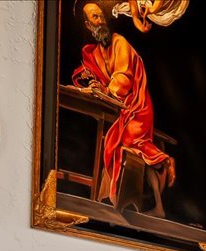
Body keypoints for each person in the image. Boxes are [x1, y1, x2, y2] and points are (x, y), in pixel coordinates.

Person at [72, 1, 175, 216]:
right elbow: (95, 76)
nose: (99, 20)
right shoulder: (96, 52)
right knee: (115, 140)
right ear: (87, 24)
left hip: (138, 106)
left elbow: (123, 78)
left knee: (129, 141)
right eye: (94, 17)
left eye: (101, 16)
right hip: (123, 109)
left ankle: (162, 168)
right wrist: (92, 83)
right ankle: (114, 198)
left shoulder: (119, 43)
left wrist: (107, 89)